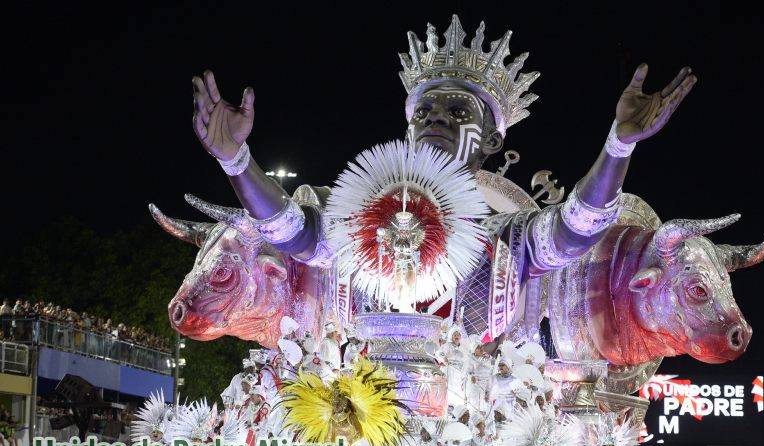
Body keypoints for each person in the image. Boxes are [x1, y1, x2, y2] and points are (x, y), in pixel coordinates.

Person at [188, 15, 695, 347]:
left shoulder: (504, 245)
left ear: (492, 143)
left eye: (458, 110)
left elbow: (575, 230)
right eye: (425, 109)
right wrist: (237, 160)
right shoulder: (354, 220)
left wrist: (619, 145)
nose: (437, 118)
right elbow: (289, 231)